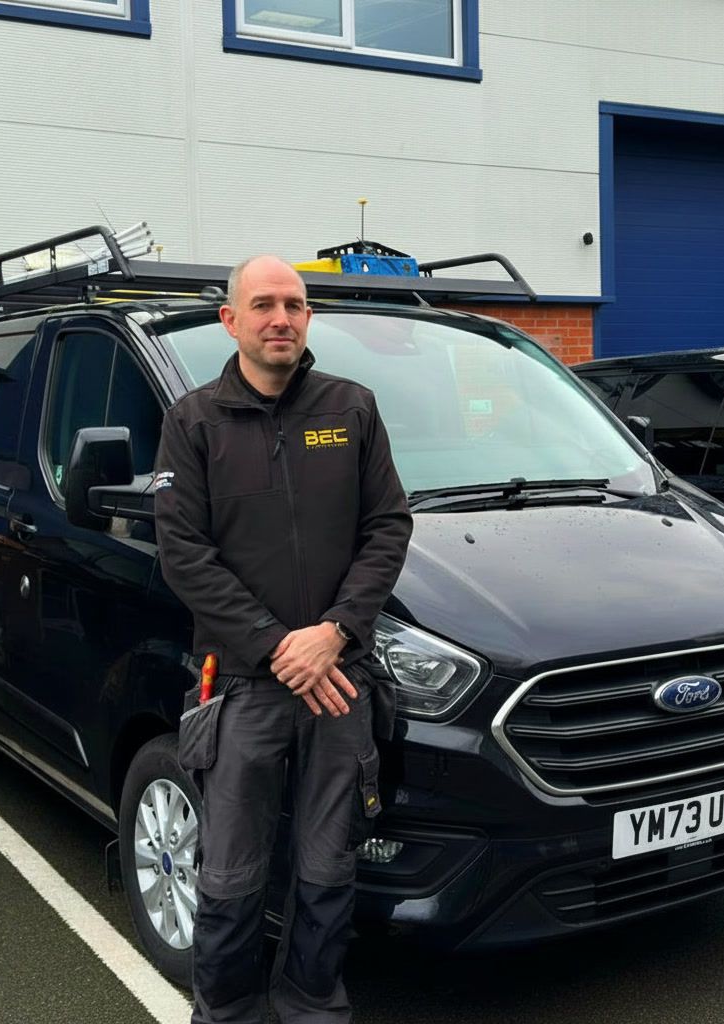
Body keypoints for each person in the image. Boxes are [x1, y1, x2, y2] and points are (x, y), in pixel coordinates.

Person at [153, 254, 413, 1023]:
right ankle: (226, 1011)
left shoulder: (352, 408)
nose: (282, 318)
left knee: (330, 866)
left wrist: (335, 632)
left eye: (295, 304)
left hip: (339, 683)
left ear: (309, 317)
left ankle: (310, 1004)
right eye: (263, 304)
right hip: (241, 687)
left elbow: (388, 526)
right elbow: (184, 556)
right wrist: (278, 647)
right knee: (230, 871)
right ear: (229, 320)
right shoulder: (193, 423)